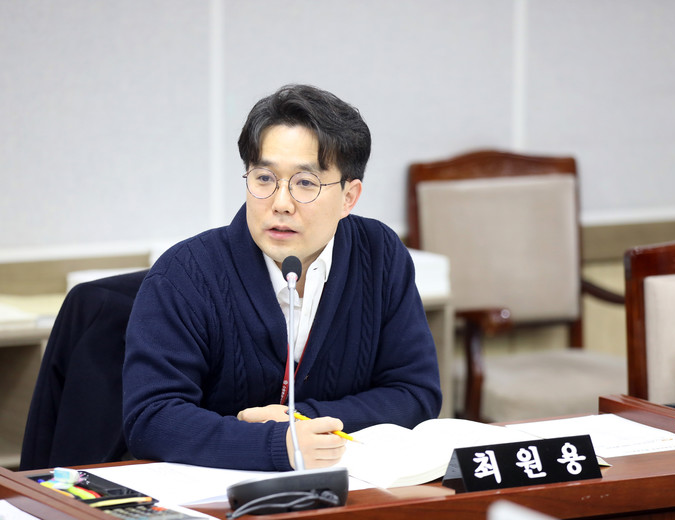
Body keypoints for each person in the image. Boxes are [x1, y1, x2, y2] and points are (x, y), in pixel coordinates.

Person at [122, 84, 442, 472]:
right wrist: (274, 444)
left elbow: (415, 393)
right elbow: (151, 419)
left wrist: (300, 423)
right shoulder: (185, 274)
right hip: (217, 490)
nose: (281, 203)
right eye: (264, 178)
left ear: (349, 197)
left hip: (349, 482)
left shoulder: (379, 255)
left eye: (305, 183)